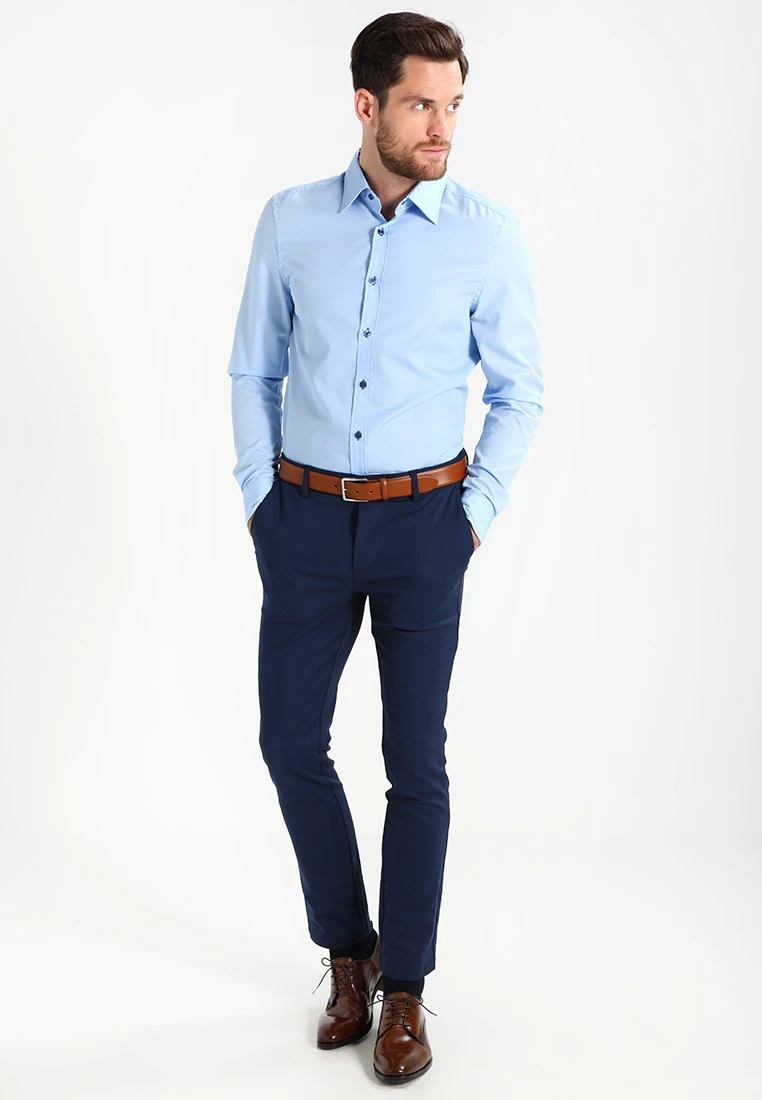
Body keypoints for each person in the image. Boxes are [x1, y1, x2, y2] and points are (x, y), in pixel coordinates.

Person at [226, 11, 543, 1085]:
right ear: (367, 106)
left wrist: (472, 514)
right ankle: (347, 951)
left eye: (452, 106)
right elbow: (254, 368)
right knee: (288, 741)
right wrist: (262, 501)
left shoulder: (486, 235)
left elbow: (521, 390)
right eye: (420, 104)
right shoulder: (291, 221)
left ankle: (404, 987)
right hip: (306, 523)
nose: (441, 126)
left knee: (417, 759)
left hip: (425, 525)